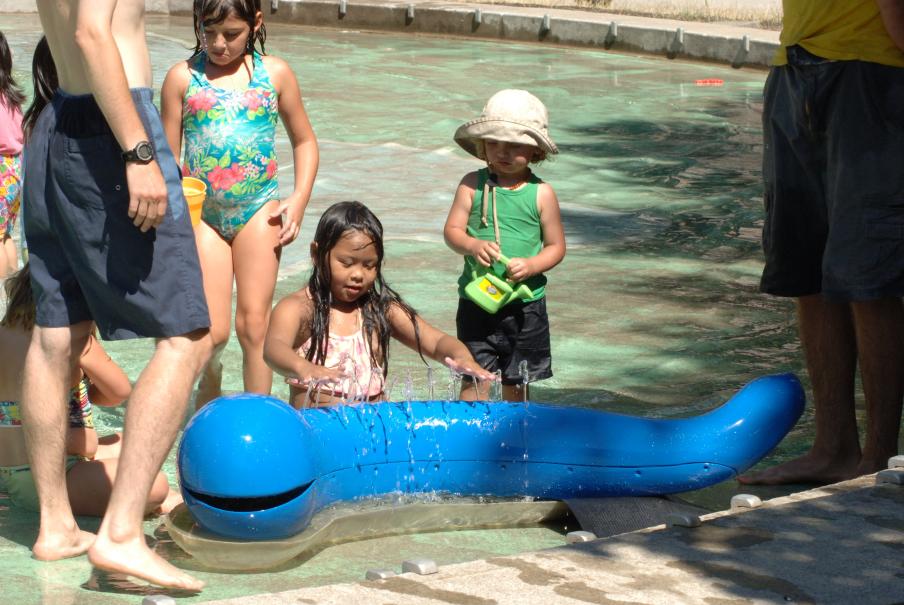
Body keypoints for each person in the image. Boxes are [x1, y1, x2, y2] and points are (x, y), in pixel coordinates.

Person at [22, 0, 212, 591]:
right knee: (188, 338)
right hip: (112, 126)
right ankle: (122, 534)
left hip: (56, 121)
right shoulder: (127, 138)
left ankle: (56, 525)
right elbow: (91, 32)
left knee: (56, 332)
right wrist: (138, 151)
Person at [740, 0, 904, 485]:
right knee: (806, 272)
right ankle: (833, 448)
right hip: (794, 62)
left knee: (868, 274)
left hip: (873, 71)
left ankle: (878, 458)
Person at [161, 0, 319, 408]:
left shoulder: (275, 74)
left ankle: (257, 415)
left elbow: (305, 141)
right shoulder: (183, 78)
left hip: (259, 209)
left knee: (253, 327)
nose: (219, 43)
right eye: (208, 30)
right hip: (204, 217)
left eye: (231, 34)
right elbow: (167, 158)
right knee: (212, 333)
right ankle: (210, 375)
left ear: (256, 24)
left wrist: (299, 199)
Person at [264, 201, 495, 408]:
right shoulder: (300, 308)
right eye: (346, 263)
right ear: (316, 253)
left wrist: (461, 357)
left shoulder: (380, 310)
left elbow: (435, 341)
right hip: (318, 430)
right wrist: (304, 368)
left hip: (374, 431)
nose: (358, 274)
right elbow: (274, 349)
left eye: (369, 265)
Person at [0, 265, 180, 516]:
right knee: (157, 484)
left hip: (9, 472)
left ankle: (165, 504)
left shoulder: (4, 334)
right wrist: (86, 390)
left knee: (127, 442)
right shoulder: (73, 339)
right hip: (53, 479)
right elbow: (119, 391)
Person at [443, 89, 566, 402]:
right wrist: (472, 245)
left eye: (514, 145)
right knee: (474, 378)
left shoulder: (542, 194)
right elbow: (452, 232)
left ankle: (515, 428)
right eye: (494, 143)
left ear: (536, 151)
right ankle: (470, 427)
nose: (503, 152)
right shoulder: (471, 184)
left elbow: (556, 247)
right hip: (477, 299)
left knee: (517, 381)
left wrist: (533, 265)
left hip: (525, 305)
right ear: (482, 144)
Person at [0, 31, 24, 279]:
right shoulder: (11, 97)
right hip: (14, 171)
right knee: (4, 234)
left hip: (0, 172)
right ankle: (11, 290)